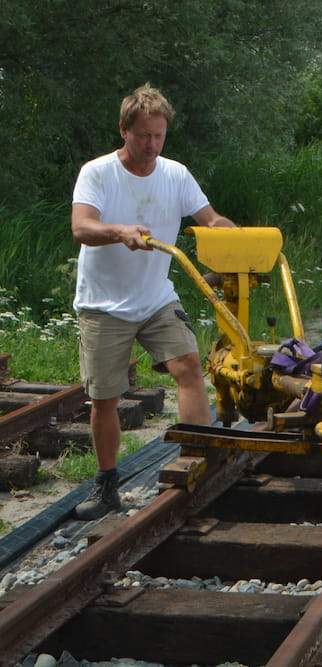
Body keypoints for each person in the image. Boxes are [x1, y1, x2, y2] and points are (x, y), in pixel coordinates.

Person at [70, 84, 236, 519]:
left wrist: (225, 231)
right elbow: (82, 227)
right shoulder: (98, 173)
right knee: (106, 399)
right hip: (104, 304)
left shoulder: (176, 174)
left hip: (156, 297)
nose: (151, 145)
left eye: (159, 136)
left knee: (190, 368)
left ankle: (200, 463)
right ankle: (107, 486)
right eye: (144, 135)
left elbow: (208, 216)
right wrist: (119, 231)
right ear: (125, 130)